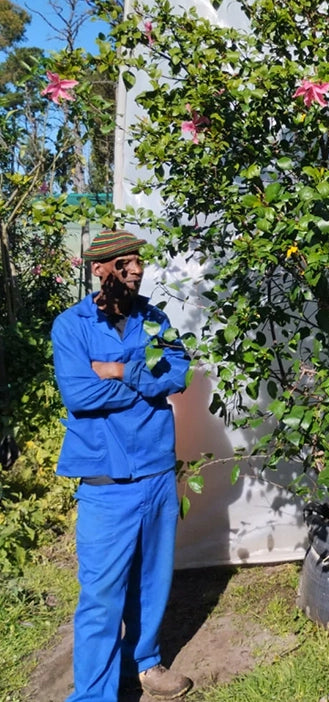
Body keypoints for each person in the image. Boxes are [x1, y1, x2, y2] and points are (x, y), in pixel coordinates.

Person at [52, 230, 193, 701]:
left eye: (139, 261)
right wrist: (144, 378)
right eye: (125, 262)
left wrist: (117, 368)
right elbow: (79, 394)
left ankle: (145, 663)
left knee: (152, 581)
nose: (136, 269)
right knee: (101, 596)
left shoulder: (155, 320)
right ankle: (94, 695)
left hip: (156, 471)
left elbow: (177, 375)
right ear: (99, 268)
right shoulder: (70, 326)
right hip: (105, 480)